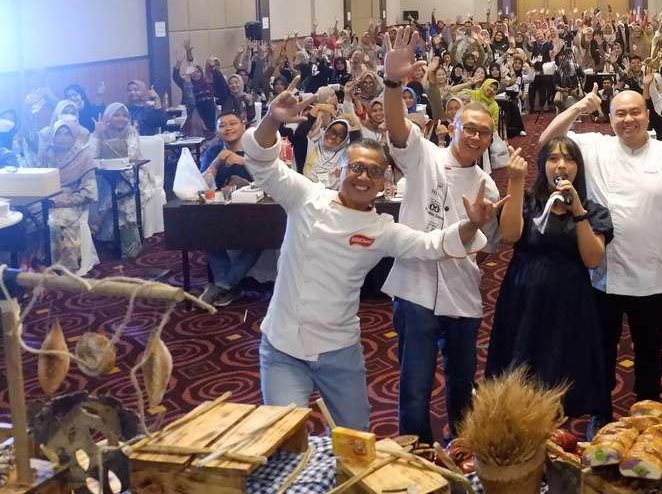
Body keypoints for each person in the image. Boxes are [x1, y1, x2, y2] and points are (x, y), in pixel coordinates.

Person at [246, 75, 488, 432]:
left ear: (386, 182)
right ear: (341, 169)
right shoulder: (307, 197)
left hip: (339, 351)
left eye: (375, 172)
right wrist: (272, 120)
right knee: (286, 441)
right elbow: (263, 165)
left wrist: (471, 225)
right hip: (282, 346)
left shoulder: (379, 229)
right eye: (355, 167)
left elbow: (433, 245)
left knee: (355, 444)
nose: (363, 177)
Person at [539, 86, 662, 430]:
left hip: (652, 275)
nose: (628, 119)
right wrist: (578, 106)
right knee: (601, 351)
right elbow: (546, 143)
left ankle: (649, 412)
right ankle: (600, 412)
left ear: (648, 115)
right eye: (620, 113)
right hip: (603, 275)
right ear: (610, 118)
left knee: (650, 351)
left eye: (635, 112)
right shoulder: (595, 146)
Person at [380, 29, 506, 443]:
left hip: (461, 294)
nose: (474, 136)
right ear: (451, 127)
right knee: (414, 387)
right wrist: (394, 84)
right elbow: (397, 125)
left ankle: (465, 455)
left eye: (483, 132)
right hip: (414, 289)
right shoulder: (423, 157)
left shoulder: (487, 186)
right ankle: (415, 459)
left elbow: (490, 247)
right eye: (467, 127)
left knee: (461, 387)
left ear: (491, 139)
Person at [486, 138, 613, 420]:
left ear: (578, 167)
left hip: (570, 302)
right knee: (520, 370)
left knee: (562, 371)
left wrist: (577, 211)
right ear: (543, 165)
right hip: (523, 297)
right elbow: (510, 235)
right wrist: (516, 181)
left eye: (569, 159)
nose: (561, 165)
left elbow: (593, 258)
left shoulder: (592, 210)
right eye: (553, 159)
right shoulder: (529, 201)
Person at [199, 112, 261, 307]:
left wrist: (243, 161)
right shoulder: (214, 150)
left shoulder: (255, 149)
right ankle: (228, 286)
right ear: (218, 131)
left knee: (262, 236)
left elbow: (268, 179)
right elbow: (202, 184)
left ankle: (222, 285)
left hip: (255, 209)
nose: (228, 128)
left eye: (233, 123)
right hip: (221, 209)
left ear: (243, 126)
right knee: (204, 231)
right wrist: (217, 162)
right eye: (222, 125)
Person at [37, 119, 99, 275]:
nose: (62, 138)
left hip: (71, 202)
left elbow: (90, 191)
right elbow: (39, 180)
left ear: (75, 137)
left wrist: (65, 202)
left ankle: (64, 266)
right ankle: (35, 261)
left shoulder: (84, 157)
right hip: (46, 199)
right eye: (58, 133)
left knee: (56, 221)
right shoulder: (46, 155)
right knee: (28, 218)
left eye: (67, 134)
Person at [91, 103, 153, 258]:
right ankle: (114, 235)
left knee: (119, 186)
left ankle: (100, 219)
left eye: (124, 115)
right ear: (108, 116)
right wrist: (97, 134)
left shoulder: (131, 131)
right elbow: (90, 155)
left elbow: (131, 155)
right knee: (109, 185)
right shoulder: (101, 131)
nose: (121, 119)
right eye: (116, 115)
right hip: (107, 175)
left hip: (131, 173)